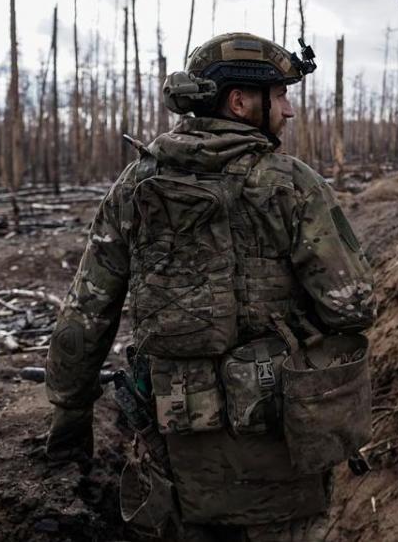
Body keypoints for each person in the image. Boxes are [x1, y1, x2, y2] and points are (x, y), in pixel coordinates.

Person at [44, 32, 376, 541]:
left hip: (174, 457)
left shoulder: (133, 185)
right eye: (280, 95)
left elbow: (87, 311)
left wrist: (69, 410)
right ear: (240, 101)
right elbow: (351, 306)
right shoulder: (290, 183)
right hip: (278, 461)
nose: (288, 111)